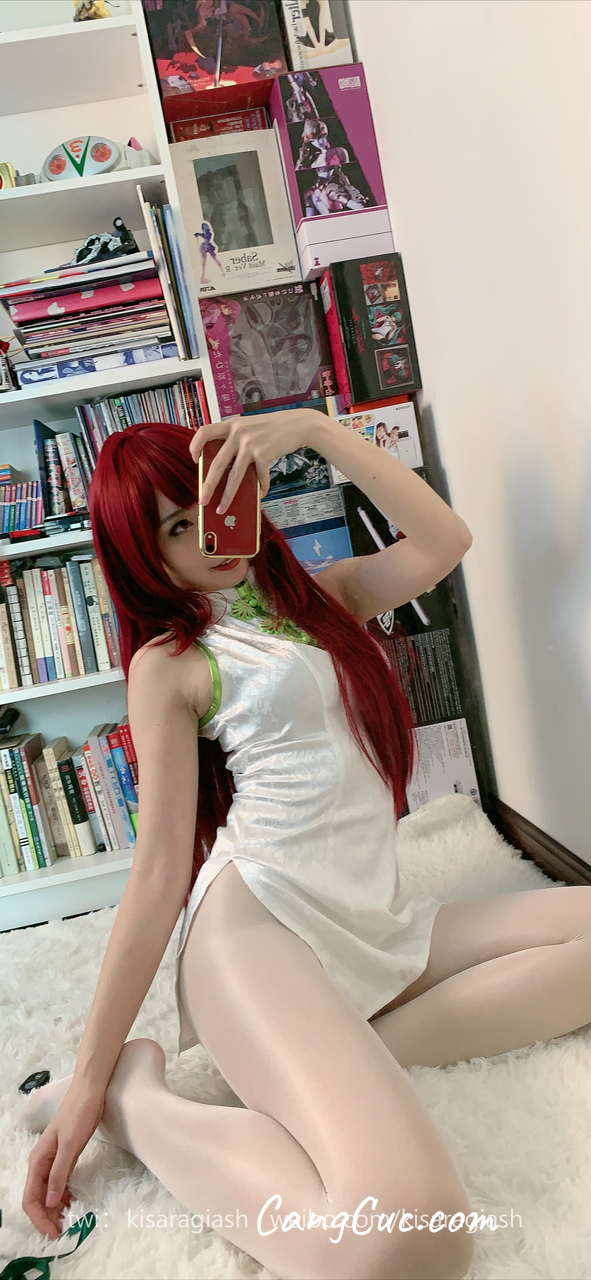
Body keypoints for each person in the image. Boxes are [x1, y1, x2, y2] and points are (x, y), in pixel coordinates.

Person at [16, 410, 591, 1280]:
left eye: (214, 501)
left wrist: (315, 432)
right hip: (256, 936)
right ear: (141, 554)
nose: (209, 535)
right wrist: (93, 1077)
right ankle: (139, 1102)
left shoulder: (322, 601)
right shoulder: (172, 662)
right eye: (175, 527)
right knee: (409, 1236)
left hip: (373, 918)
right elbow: (161, 871)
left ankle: (341, 1058)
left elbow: (444, 540)